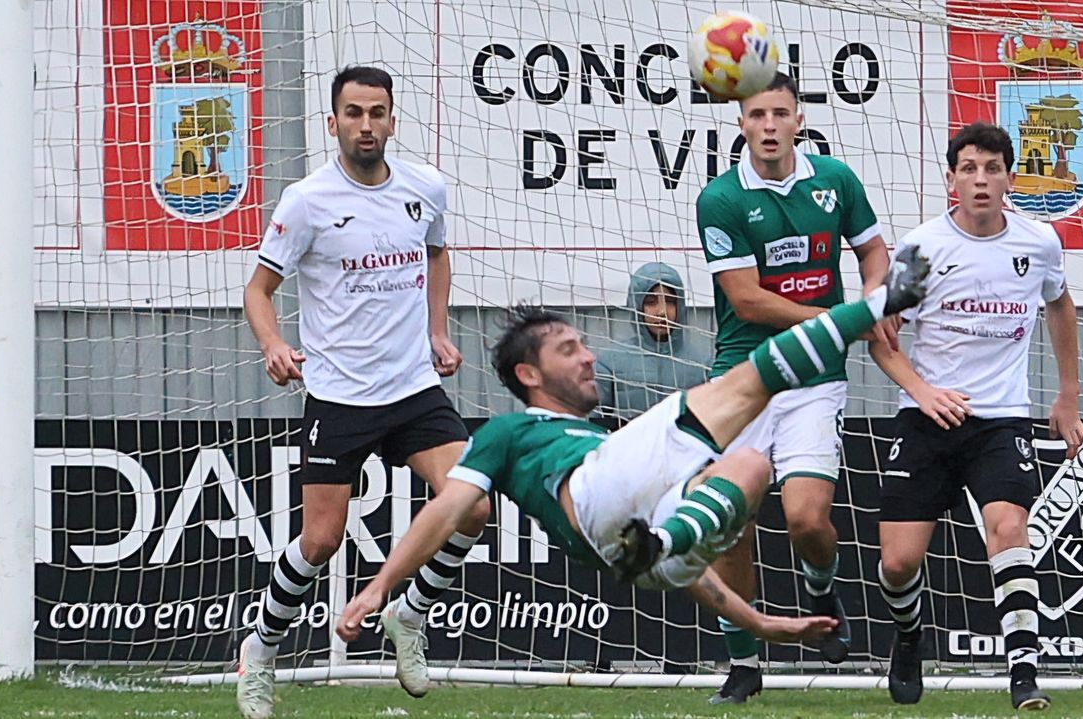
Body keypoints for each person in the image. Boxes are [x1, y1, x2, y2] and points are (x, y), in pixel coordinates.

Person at [336, 247, 932, 657]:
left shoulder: (604, 440)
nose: (589, 356)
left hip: (647, 554)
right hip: (597, 503)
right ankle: (882, 302)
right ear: (529, 374)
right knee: (748, 382)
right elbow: (445, 510)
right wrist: (378, 587)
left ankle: (667, 536)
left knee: (751, 465)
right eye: (569, 349)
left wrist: (763, 624)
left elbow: (691, 576)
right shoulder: (510, 434)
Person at [237, 66, 491, 719]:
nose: (367, 125)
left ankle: (410, 613)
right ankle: (261, 651)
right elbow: (258, 290)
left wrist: (437, 329)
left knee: (473, 506)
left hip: (412, 387)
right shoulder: (306, 200)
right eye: (354, 113)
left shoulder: (424, 186)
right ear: (333, 123)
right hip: (340, 395)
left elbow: (436, 254)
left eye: (377, 112)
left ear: (392, 120)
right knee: (320, 540)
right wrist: (273, 344)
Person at [868, 121, 1083, 712]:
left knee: (1010, 530)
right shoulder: (921, 249)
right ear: (951, 180)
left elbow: (1059, 304)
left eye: (992, 169)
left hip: (1001, 420)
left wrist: (1067, 395)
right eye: (969, 169)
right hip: (926, 418)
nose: (982, 180)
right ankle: (910, 636)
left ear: (1010, 178)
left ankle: (1024, 675)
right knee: (897, 562)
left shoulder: (1038, 242)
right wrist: (923, 390)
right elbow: (880, 339)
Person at [695, 71, 899, 703]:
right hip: (745, 379)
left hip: (814, 377)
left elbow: (873, 253)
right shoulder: (721, 198)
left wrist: (875, 294)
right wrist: (843, 319)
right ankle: (744, 664)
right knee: (730, 521)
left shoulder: (834, 181)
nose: (770, 126)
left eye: (780, 114)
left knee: (807, 519)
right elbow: (746, 300)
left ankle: (819, 586)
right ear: (741, 123)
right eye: (757, 115)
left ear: (798, 121)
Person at [595, 262, 711, 419]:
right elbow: (594, 424)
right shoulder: (609, 363)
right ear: (636, 306)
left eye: (670, 301)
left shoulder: (703, 364)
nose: (662, 312)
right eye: (651, 302)